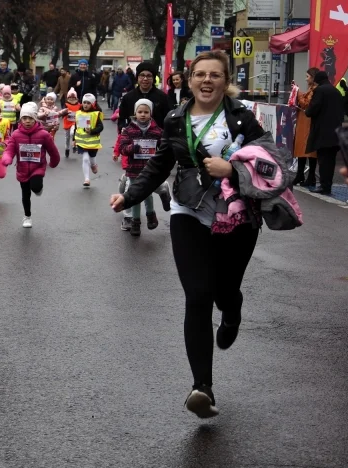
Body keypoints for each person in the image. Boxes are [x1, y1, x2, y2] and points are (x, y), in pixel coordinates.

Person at [109, 50, 267, 419]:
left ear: (226, 81)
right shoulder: (176, 118)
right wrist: (129, 195)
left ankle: (232, 310)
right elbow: (158, 165)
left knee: (225, 290)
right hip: (188, 209)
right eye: (200, 74)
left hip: (237, 214)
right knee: (197, 295)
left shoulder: (243, 117)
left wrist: (232, 169)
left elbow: (271, 162)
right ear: (189, 79)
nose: (207, 81)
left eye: (215, 75)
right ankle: (202, 388)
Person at [1, 102, 60, 228]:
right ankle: (27, 216)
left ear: (35, 119)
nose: (27, 121)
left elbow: (52, 150)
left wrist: (54, 161)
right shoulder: (16, 134)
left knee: (35, 186)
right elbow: (10, 149)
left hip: (37, 167)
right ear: (20, 119)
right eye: (24, 118)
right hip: (22, 169)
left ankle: (38, 188)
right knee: (25, 194)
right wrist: (7, 158)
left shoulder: (43, 134)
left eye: (30, 118)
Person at [116, 99, 163, 235]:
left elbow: (164, 145)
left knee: (147, 193)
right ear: (135, 113)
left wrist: (159, 155)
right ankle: (135, 221)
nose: (143, 114)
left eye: (146, 112)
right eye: (140, 112)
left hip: (150, 169)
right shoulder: (129, 130)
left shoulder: (157, 130)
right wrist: (133, 148)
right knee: (135, 195)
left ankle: (150, 214)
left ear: (151, 113)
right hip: (134, 169)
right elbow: (123, 148)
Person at [305, 70, 344, 196]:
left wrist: (307, 111)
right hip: (336, 131)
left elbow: (312, 110)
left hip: (323, 132)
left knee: (323, 160)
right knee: (331, 161)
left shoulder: (320, 91)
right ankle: (328, 185)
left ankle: (324, 186)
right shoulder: (336, 91)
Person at [118, 61, 169, 130]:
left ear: (153, 78)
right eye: (142, 75)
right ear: (137, 77)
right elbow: (122, 119)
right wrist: (123, 128)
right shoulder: (128, 97)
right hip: (133, 137)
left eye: (149, 76)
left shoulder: (162, 97)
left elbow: (168, 120)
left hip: (157, 137)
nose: (145, 79)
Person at [292, 68, 319, 188]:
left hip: (307, 122)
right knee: (302, 150)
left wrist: (297, 92)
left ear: (313, 78)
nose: (306, 79)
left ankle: (308, 176)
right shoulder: (312, 89)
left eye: (307, 76)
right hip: (305, 122)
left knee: (308, 150)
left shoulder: (315, 90)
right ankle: (303, 175)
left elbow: (305, 103)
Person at [74, 93, 103, 187]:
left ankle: (94, 165)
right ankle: (87, 179)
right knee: (85, 159)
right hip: (81, 142)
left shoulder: (96, 114)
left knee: (92, 158)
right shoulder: (79, 113)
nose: (86, 105)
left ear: (93, 104)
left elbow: (100, 127)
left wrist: (92, 131)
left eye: (88, 103)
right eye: (84, 102)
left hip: (93, 142)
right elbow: (76, 126)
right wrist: (74, 139)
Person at [61, 88, 81, 159]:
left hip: (75, 122)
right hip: (67, 122)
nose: (72, 99)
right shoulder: (66, 104)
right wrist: (66, 112)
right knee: (67, 138)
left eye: (73, 97)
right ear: (68, 98)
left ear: (76, 97)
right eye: (70, 97)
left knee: (73, 133)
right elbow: (62, 113)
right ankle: (67, 149)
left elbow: (83, 112)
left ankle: (74, 144)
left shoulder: (79, 105)